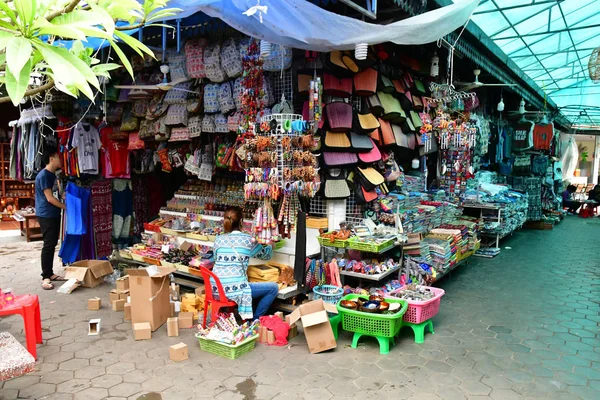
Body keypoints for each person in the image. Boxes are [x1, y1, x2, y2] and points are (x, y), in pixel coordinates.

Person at [212, 207, 277, 320]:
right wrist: (271, 245)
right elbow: (266, 255)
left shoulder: (218, 239)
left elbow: (216, 258)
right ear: (241, 222)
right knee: (273, 288)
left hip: (215, 289)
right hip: (233, 290)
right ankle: (256, 319)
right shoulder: (247, 239)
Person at [35, 149, 66, 290]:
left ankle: (50, 273)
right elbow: (49, 198)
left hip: (52, 213)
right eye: (58, 157)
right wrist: (66, 207)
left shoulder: (52, 175)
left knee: (52, 243)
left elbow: (56, 195)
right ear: (52, 158)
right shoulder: (44, 176)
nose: (60, 160)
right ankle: (45, 276)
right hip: (46, 214)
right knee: (48, 244)